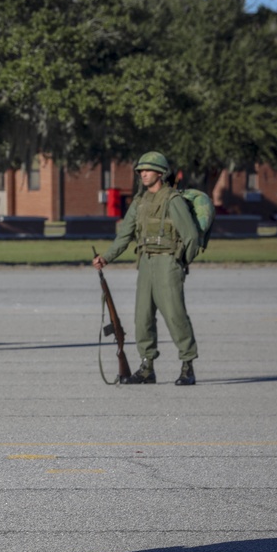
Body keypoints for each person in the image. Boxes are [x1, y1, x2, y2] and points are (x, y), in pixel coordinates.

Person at [92, 151, 200, 386]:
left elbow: (191, 237)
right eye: (141, 171)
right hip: (145, 264)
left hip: (167, 263)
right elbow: (124, 236)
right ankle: (147, 366)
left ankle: (187, 365)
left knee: (175, 315)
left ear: (160, 173)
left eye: (148, 170)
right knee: (142, 318)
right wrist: (107, 257)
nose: (143, 174)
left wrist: (180, 262)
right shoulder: (139, 202)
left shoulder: (173, 200)